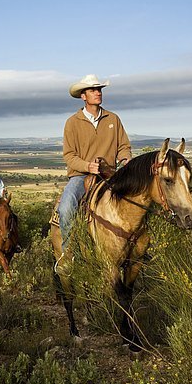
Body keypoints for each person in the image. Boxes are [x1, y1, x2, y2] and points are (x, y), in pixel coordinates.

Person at [58, 74, 132, 251]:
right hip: (82, 177)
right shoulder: (72, 123)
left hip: (111, 175)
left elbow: (123, 146)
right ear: (83, 96)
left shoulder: (113, 119)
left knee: (138, 200)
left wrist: (126, 158)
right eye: (93, 90)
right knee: (66, 208)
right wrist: (87, 166)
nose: (98, 93)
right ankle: (69, 252)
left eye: (99, 89)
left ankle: (138, 249)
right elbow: (69, 155)